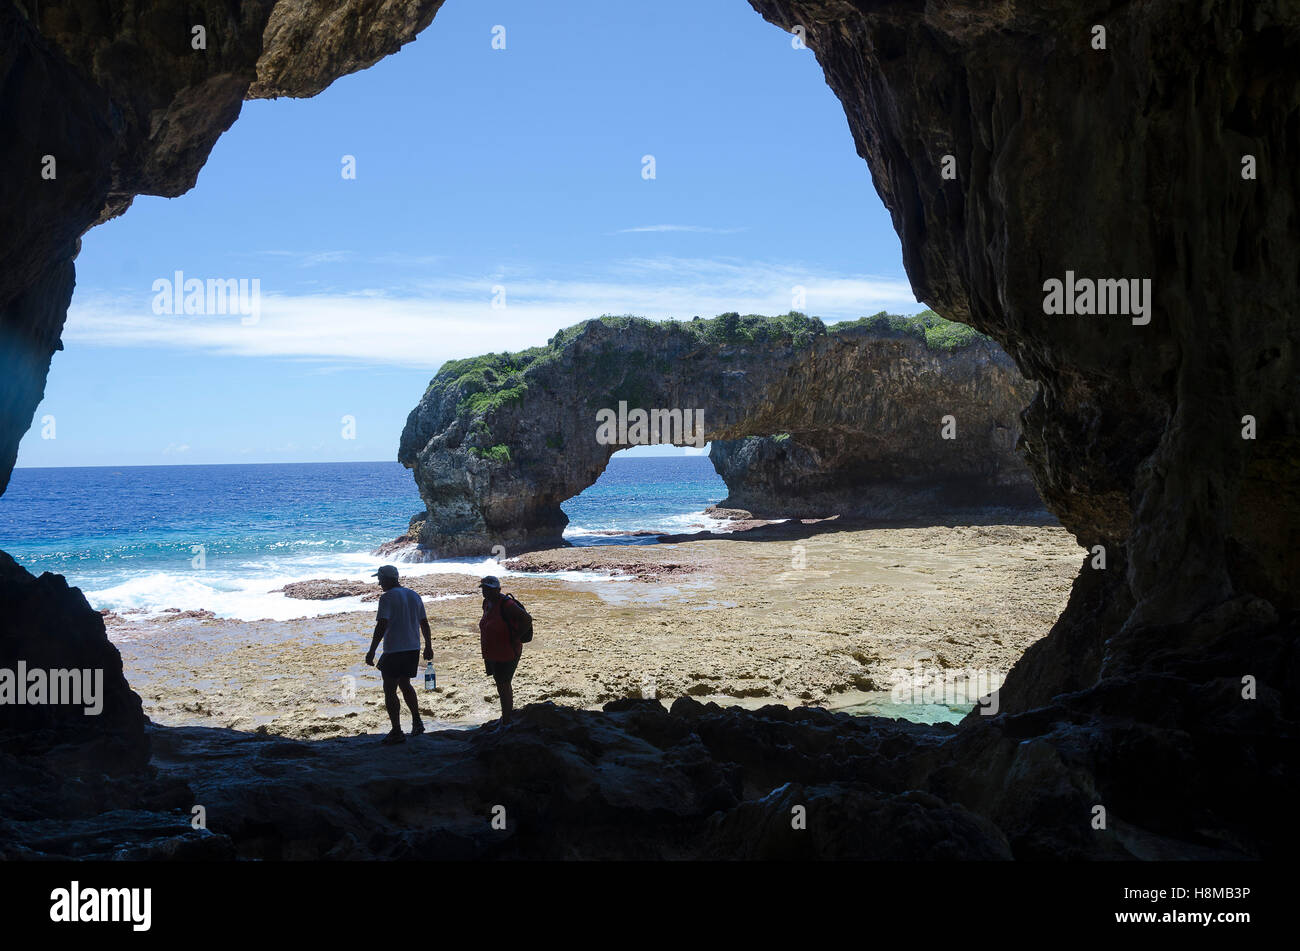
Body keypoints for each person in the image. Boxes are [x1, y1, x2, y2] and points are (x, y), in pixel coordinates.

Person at [365, 564, 432, 745]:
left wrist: (371, 650)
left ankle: (396, 731)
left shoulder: (386, 598)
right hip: (412, 648)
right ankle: (417, 722)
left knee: (390, 689)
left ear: (386, 579)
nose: (379, 583)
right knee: (406, 684)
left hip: (394, 649)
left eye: (379, 579)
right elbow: (424, 623)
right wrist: (428, 646)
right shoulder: (414, 595)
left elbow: (382, 625)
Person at [478, 575, 526, 727]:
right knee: (501, 684)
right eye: (484, 588)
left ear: (498, 590)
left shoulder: (507, 604)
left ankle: (506, 721)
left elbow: (527, 619)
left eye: (489, 589)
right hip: (493, 652)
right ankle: (506, 717)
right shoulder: (487, 603)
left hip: (508, 651)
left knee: (504, 684)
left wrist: (516, 637)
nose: (486, 592)